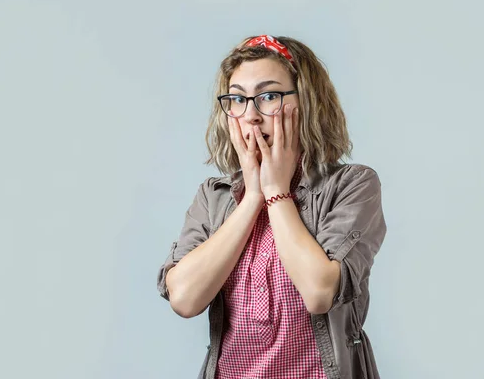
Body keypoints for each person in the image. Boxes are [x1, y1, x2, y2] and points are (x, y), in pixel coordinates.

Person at [157, 34, 387, 379]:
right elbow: (185, 299)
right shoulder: (214, 196)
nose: (250, 115)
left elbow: (320, 292)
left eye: (268, 96)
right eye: (237, 99)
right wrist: (252, 198)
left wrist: (277, 192)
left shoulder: (352, 186)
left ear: (307, 102)